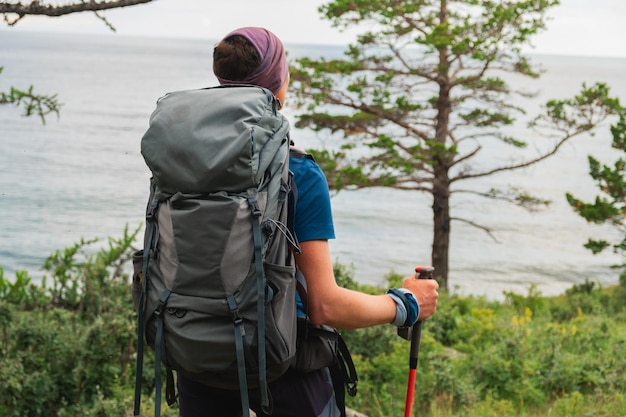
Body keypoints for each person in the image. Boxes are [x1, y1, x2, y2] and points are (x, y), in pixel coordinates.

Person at [176, 26, 440, 417]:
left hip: (197, 362)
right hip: (283, 373)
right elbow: (324, 306)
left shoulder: (182, 162)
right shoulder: (296, 173)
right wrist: (406, 304)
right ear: (278, 87)